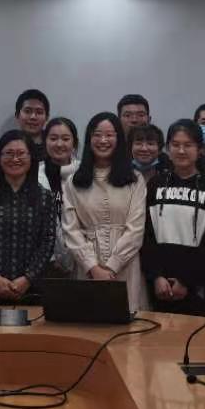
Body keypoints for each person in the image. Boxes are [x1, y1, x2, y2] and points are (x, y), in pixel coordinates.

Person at [61, 113, 148, 311]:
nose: (103, 140)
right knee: (88, 321)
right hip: (87, 267)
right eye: (97, 135)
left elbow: (136, 230)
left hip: (125, 265)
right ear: (89, 139)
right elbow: (71, 230)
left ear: (119, 139)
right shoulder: (73, 181)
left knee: (128, 321)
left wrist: (112, 266)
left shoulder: (135, 179)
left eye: (109, 135)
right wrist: (93, 267)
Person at [141, 121, 205, 315]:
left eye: (188, 145)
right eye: (175, 145)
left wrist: (187, 281)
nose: (181, 150)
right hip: (158, 285)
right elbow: (146, 235)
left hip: (196, 288)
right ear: (167, 148)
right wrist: (156, 276)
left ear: (199, 149)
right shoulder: (155, 184)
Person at [0, 131, 57, 304]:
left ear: (31, 158)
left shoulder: (45, 197)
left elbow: (48, 241)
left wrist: (27, 278)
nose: (15, 159)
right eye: (8, 153)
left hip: (31, 289)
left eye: (21, 153)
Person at [38, 116, 79, 278]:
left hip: (83, 259)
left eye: (66, 139)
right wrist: (51, 258)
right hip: (44, 262)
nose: (59, 144)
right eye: (53, 138)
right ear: (45, 142)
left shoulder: (85, 173)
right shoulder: (35, 175)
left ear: (74, 143)